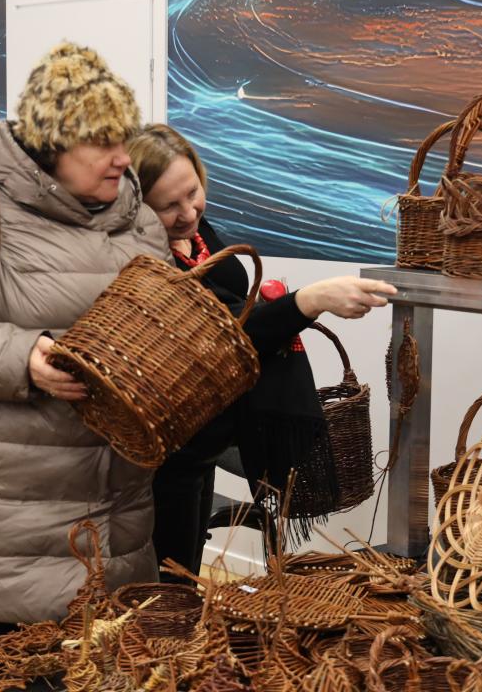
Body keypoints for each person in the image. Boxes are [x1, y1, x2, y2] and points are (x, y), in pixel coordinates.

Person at [0, 42, 171, 653]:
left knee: (99, 668)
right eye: (102, 142)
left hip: (115, 503)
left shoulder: (142, 222)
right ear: (51, 144)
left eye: (123, 138)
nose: (124, 157)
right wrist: (25, 358)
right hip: (0, 510)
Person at [128, 123, 397, 577]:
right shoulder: (145, 260)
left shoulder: (196, 235)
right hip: (171, 446)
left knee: (186, 568)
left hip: (206, 436)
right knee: (169, 579)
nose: (188, 212)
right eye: (168, 206)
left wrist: (280, 306)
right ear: (138, 206)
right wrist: (308, 301)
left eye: (192, 193)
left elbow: (231, 311)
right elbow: (220, 336)